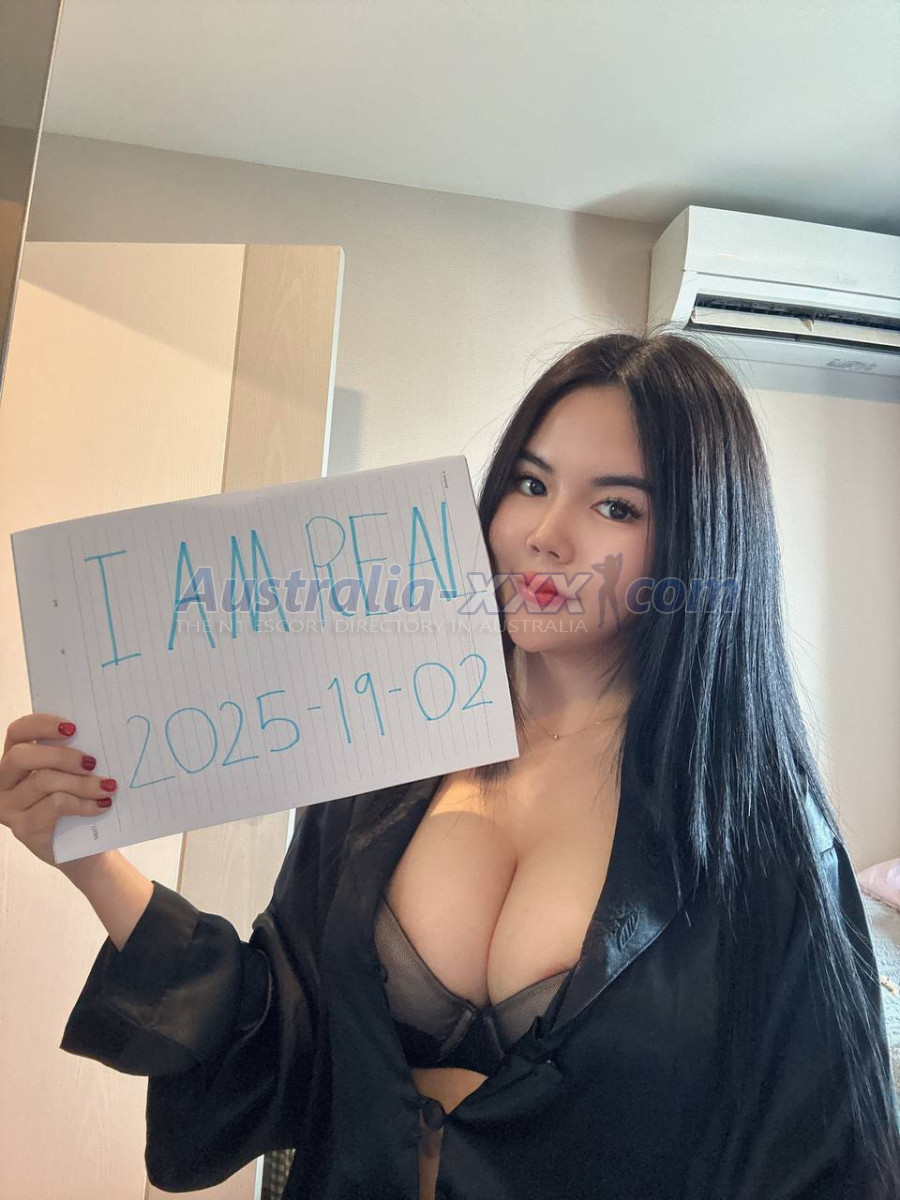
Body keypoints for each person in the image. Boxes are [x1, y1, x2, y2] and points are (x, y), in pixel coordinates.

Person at [3, 330, 898, 1200]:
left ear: (701, 544)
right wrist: (94, 863)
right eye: (530, 483)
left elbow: (823, 1159)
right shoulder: (395, 734)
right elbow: (284, 1036)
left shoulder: (762, 830)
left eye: (616, 507)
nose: (546, 534)